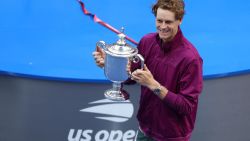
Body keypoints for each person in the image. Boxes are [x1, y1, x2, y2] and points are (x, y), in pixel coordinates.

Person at [92, 0, 203, 140]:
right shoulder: (147, 42)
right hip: (144, 131)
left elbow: (186, 106)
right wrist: (110, 65)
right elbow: (132, 77)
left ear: (180, 20)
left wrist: (153, 84)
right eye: (159, 20)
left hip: (172, 137)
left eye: (168, 22)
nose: (162, 27)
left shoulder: (190, 59)